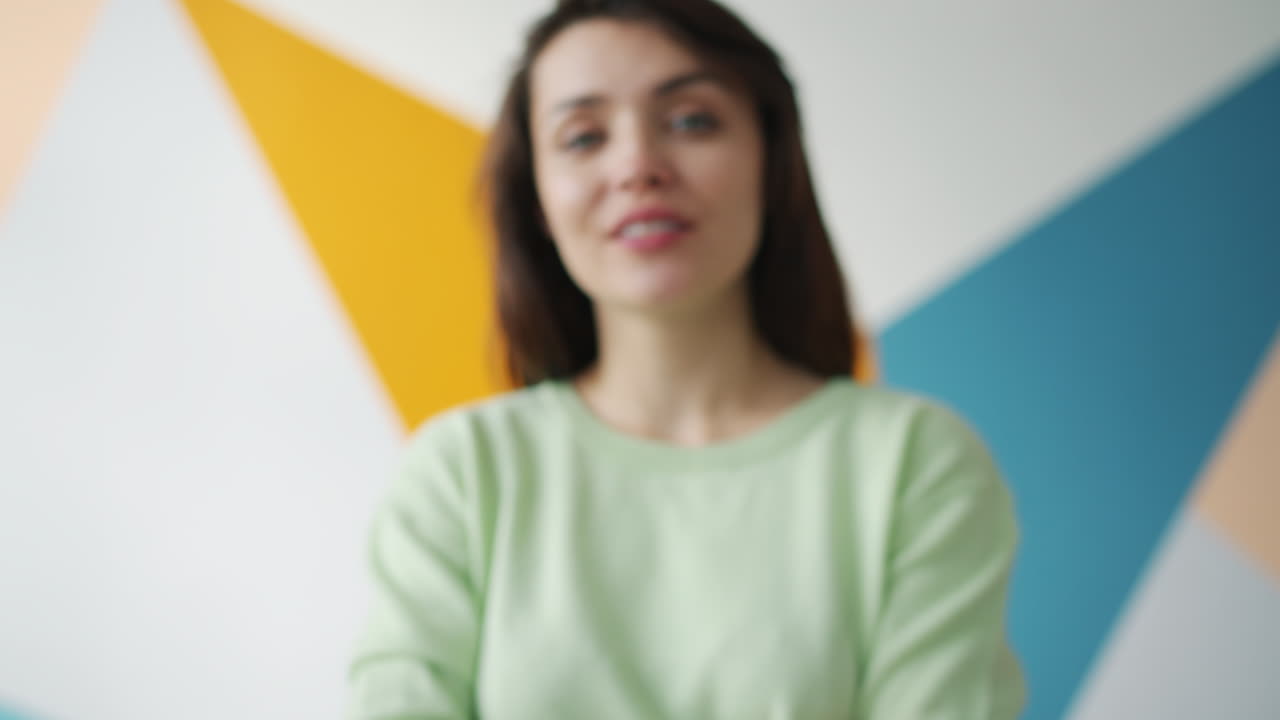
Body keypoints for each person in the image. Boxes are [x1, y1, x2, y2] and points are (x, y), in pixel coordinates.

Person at [346, 0, 1026, 718]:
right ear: (538, 199)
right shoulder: (461, 474)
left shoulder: (914, 464)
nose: (638, 165)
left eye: (692, 120)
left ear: (771, 162)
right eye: (582, 137)